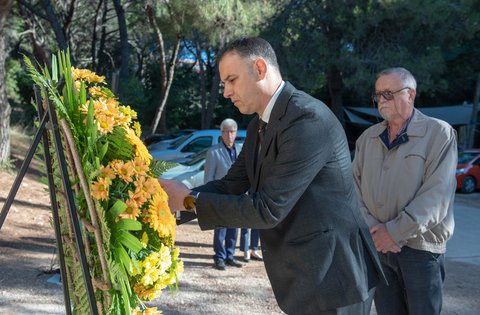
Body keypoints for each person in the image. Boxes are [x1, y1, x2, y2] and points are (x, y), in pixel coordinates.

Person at [160, 36, 384, 315]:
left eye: (232, 80)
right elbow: (231, 185)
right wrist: (162, 208)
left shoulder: (307, 119)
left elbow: (268, 208)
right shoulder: (258, 126)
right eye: (223, 84)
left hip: (335, 279)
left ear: (260, 69)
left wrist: (190, 201)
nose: (226, 92)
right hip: (307, 277)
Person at [352, 67, 457, 315]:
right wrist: (374, 231)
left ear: (410, 95)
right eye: (378, 94)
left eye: (388, 93)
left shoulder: (439, 133)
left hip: (420, 250)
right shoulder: (368, 138)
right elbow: (353, 189)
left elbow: (437, 196)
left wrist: (394, 232)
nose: (381, 100)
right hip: (378, 246)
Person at [204, 118, 244, 270]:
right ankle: (219, 257)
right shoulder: (213, 152)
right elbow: (209, 178)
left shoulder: (240, 150)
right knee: (221, 229)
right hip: (220, 197)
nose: (229, 135)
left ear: (236, 133)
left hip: (236, 197)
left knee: (234, 227)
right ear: (221, 133)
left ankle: (230, 256)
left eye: (232, 131)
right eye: (226, 132)